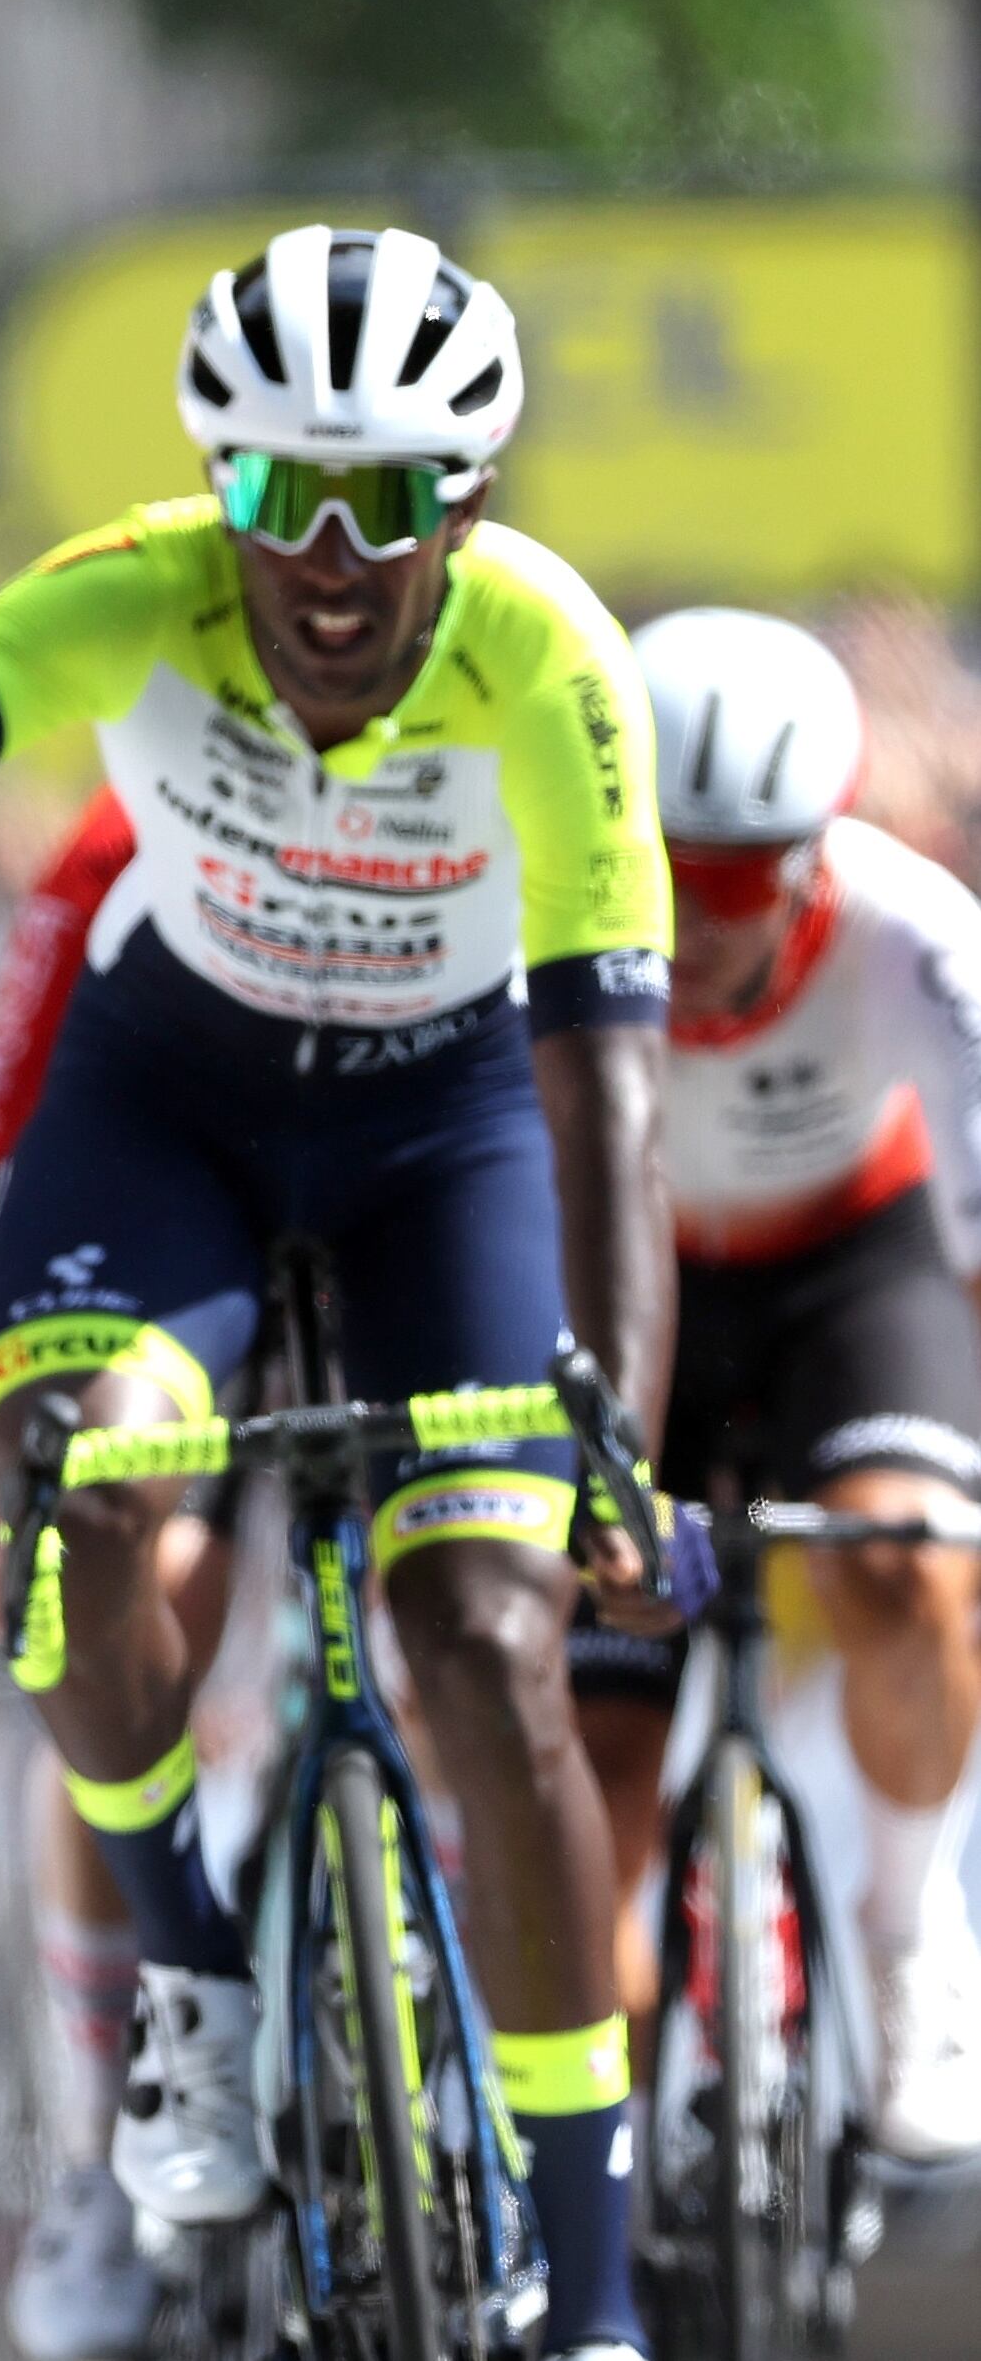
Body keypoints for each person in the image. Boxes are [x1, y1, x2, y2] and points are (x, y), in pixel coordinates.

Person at [0, 223, 685, 2361]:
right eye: (277, 498)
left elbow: (606, 1089)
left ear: (473, 507)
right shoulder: (134, 586)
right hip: (180, 1103)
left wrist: (609, 1426)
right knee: (82, 1510)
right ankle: (188, 1978)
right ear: (217, 492)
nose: (328, 560)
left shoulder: (548, 660)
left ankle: (599, 2298)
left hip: (450, 1136)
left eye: (388, 504)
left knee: (491, 1641)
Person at [570, 609, 981, 2162]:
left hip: (845, 1281)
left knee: (903, 1564)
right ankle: (600, 2158)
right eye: (661, 871)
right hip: (632, 1299)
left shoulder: (921, 940)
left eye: (733, 885)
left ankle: (906, 1927)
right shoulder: (545, 922)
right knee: (596, 1774)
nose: (692, 925)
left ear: (815, 856)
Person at [0, 792, 243, 2361]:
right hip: (171, 1284)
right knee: (129, 1594)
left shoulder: (461, 788)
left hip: (379, 1225)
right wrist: (1, 1534)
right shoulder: (115, 857)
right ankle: (104, 2150)